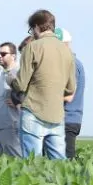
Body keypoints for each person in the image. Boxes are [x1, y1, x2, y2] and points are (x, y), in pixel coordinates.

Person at [10, 10, 76, 160]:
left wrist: (11, 80)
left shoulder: (32, 47)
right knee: (59, 164)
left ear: (37, 27)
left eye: (32, 29)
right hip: (57, 115)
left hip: (33, 111)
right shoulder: (67, 52)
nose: (32, 33)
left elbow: (20, 85)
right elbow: (71, 89)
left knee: (33, 165)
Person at [57, 28, 86, 159]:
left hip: (67, 119)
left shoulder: (71, 65)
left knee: (65, 162)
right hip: (66, 119)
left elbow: (68, 95)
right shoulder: (68, 63)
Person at [0, 42, 21, 157]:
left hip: (10, 124)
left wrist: (19, 101)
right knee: (3, 160)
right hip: (0, 124)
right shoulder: (5, 73)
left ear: (13, 56)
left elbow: (29, 92)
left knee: (14, 159)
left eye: (3, 54)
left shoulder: (17, 72)